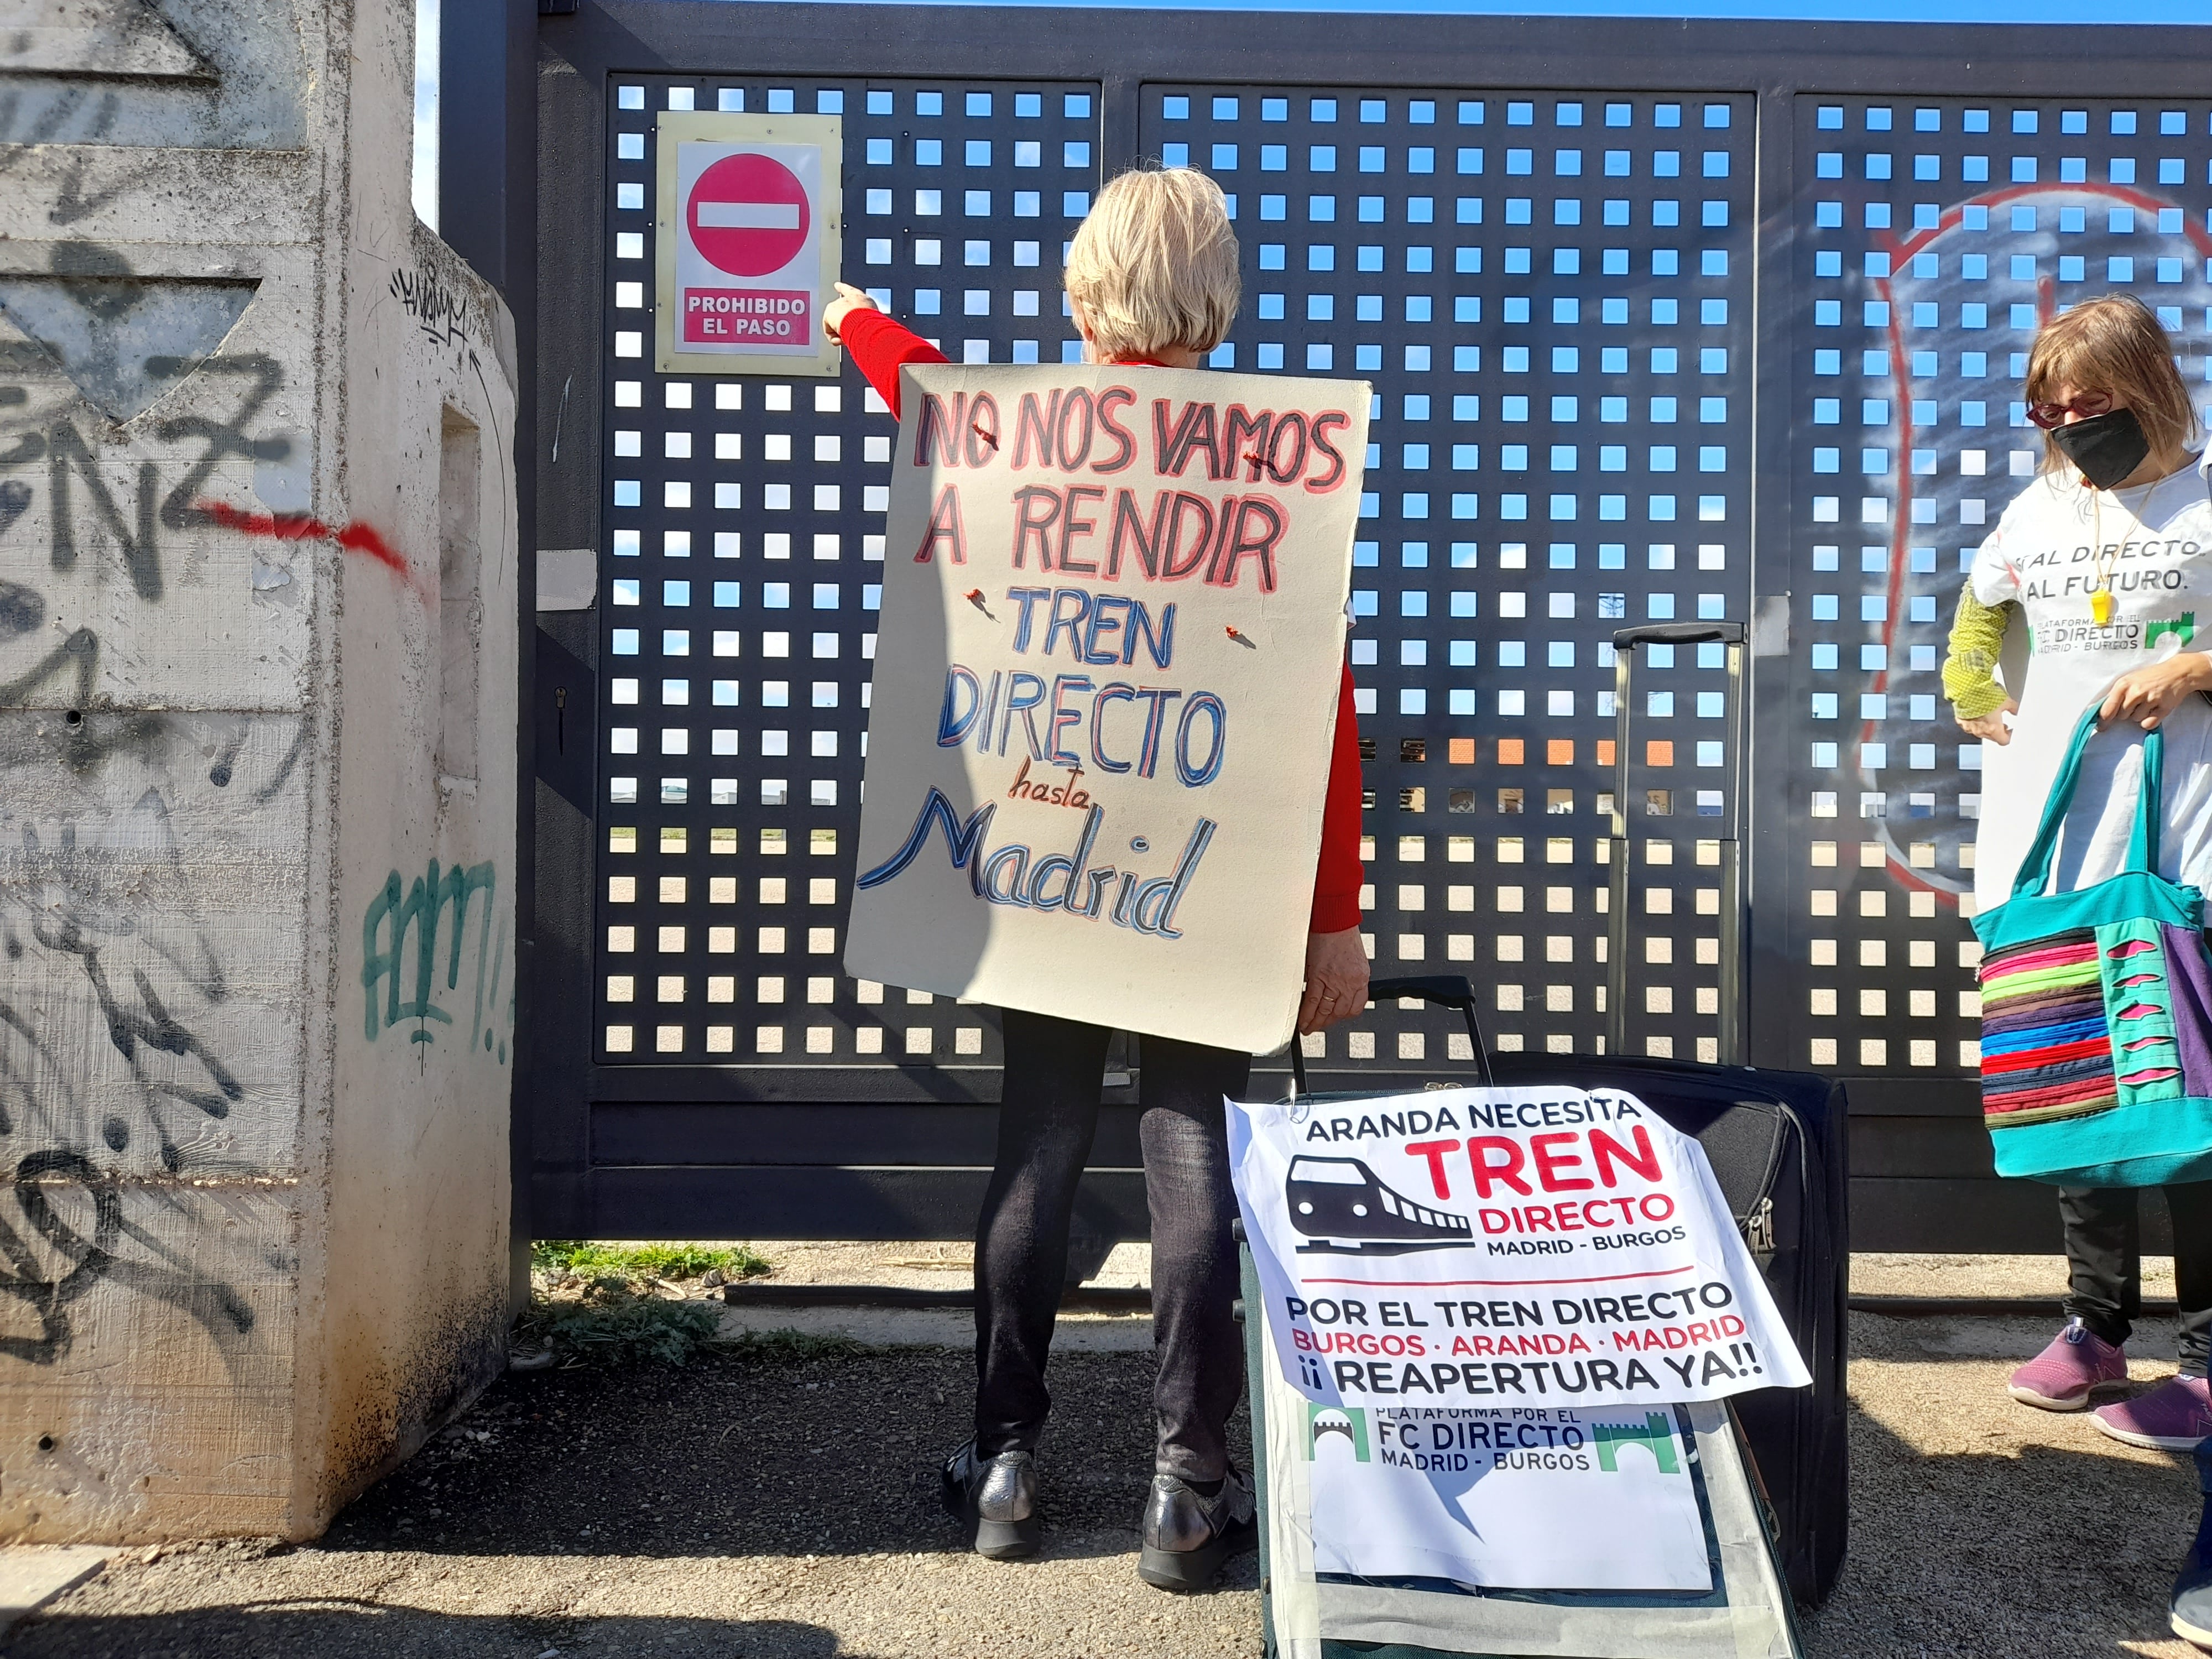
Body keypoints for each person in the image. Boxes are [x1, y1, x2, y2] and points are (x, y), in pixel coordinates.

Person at [822, 166, 1370, 1589]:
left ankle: (1004, 1464)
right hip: (1208, 882)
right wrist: (1333, 919)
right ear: (1220, 286)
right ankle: (1186, 1491)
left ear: (1078, 289)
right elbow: (1325, 706)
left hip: (1048, 867)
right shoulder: (1272, 461)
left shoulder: (1021, 437)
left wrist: (859, 319)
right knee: (1193, 1161)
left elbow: (923, 388)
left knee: (1039, 1147)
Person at [1944, 293, 2212, 1451]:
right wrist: (1968, 688)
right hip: (2050, 841)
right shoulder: (2041, 503)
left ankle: (2205, 1360)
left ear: (2145, 387)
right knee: (2070, 1071)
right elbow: (1978, 610)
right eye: (2046, 409)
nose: (2065, 424)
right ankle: (2092, 1327)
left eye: (2087, 404)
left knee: (2188, 1086)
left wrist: (2196, 664)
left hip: (2182, 837)